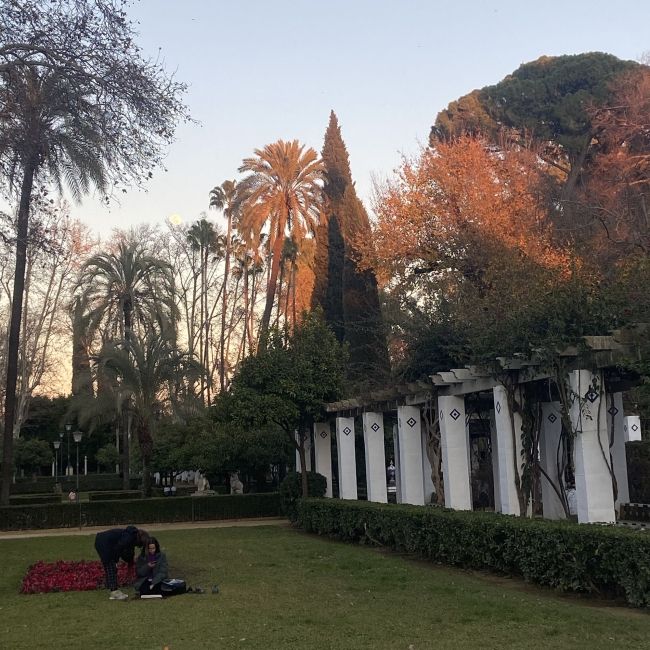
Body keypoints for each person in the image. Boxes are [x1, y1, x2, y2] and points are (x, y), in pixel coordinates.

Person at [94, 525, 148, 600]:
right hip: (104, 543)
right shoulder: (129, 537)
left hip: (103, 541)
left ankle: (112, 588)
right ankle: (114, 592)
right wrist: (115, 560)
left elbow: (128, 552)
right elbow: (120, 547)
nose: (139, 546)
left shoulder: (130, 535)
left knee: (111, 566)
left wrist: (130, 560)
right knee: (111, 566)